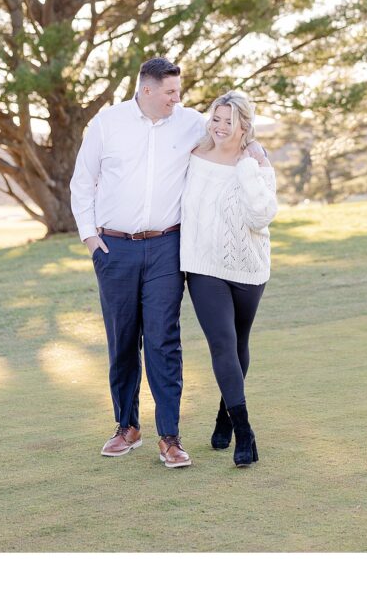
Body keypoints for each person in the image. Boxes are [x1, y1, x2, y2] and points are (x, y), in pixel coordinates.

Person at [70, 57, 206, 469]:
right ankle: (127, 426)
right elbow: (82, 181)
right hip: (114, 250)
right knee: (123, 340)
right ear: (146, 89)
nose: (176, 99)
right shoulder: (107, 123)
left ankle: (170, 438)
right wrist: (91, 238)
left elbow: (228, 129)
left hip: (167, 246)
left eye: (177, 92)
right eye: (169, 92)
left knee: (164, 341)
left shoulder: (190, 122)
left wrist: (254, 145)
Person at [180, 90, 277, 467]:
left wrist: (250, 168)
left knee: (239, 344)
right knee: (222, 343)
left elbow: (261, 216)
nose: (220, 127)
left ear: (244, 127)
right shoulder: (194, 157)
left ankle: (224, 415)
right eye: (216, 119)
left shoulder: (254, 161)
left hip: (249, 268)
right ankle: (244, 430)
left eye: (229, 122)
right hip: (203, 267)